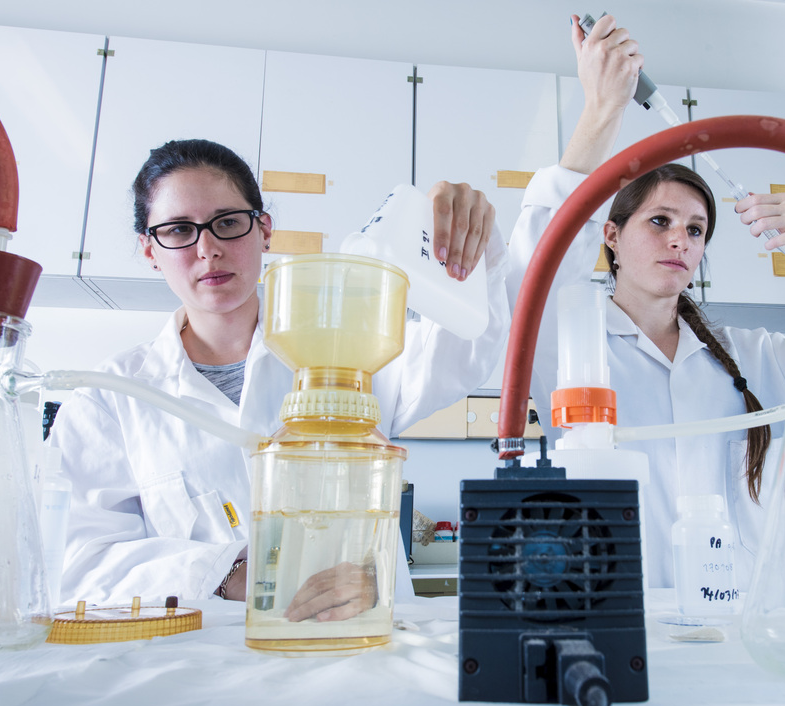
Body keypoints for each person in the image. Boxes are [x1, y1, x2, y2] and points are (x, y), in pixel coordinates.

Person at [52, 139, 510, 611]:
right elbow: (76, 561)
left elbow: (465, 348)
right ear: (150, 250)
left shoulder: (348, 340)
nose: (207, 249)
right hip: (202, 666)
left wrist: (472, 244)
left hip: (360, 649)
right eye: (177, 230)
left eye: (227, 223)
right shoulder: (110, 398)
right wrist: (234, 573)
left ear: (263, 230)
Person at [507, 15, 785, 589]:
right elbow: (533, 271)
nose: (681, 239)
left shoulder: (753, 357)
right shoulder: (566, 341)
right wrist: (603, 109)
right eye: (660, 221)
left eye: (696, 230)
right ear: (611, 235)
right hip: (613, 614)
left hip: (731, 621)